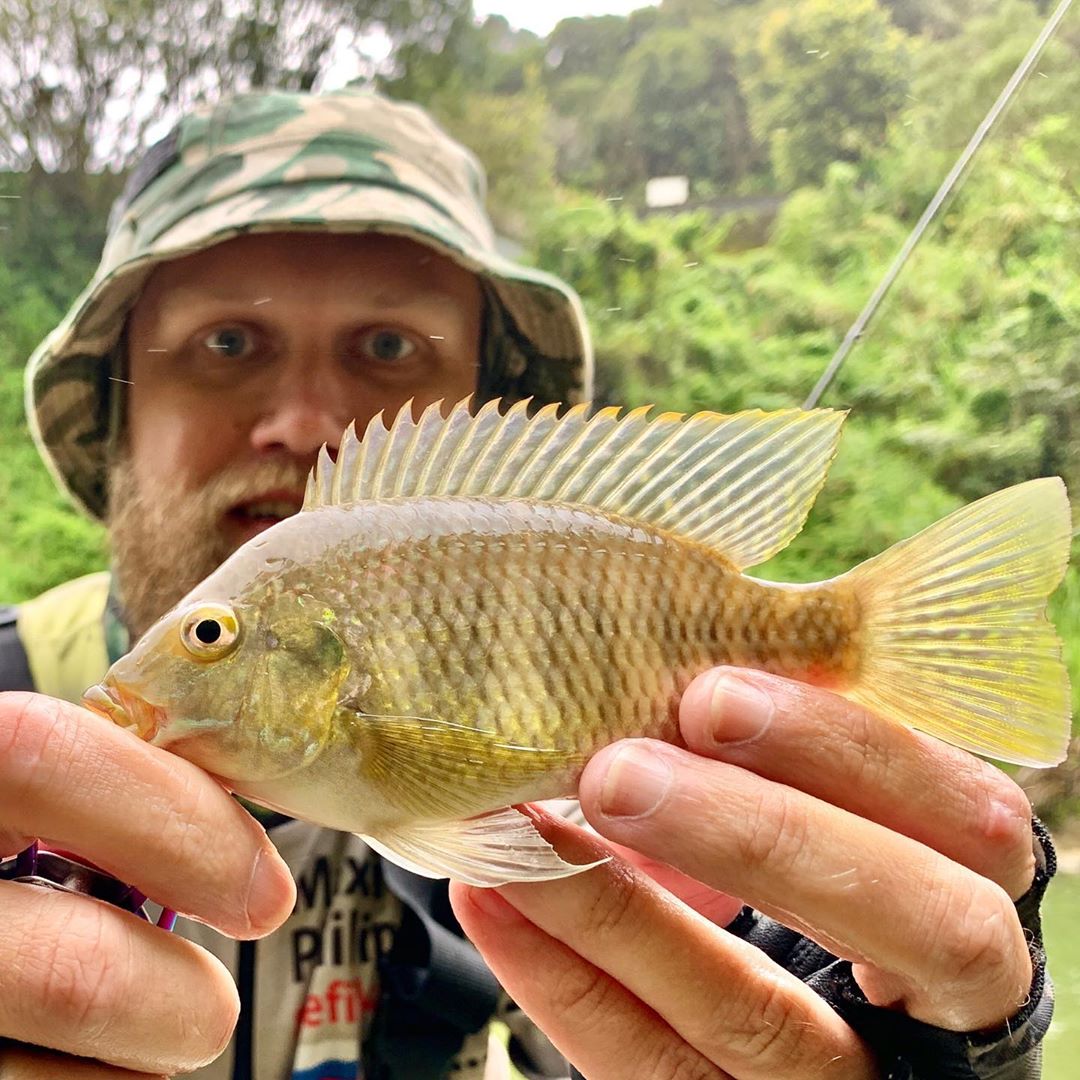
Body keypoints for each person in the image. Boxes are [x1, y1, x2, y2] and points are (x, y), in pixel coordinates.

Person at [0, 87, 1056, 1080]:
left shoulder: (579, 819)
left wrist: (871, 1003)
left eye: (386, 344)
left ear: (486, 406)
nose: (309, 422)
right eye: (228, 341)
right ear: (113, 417)